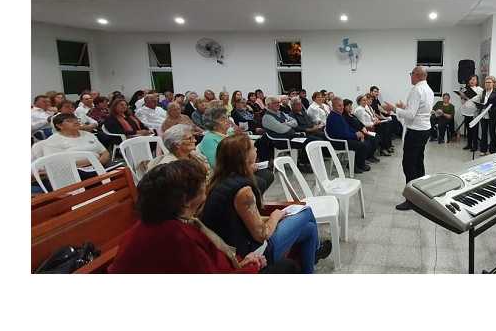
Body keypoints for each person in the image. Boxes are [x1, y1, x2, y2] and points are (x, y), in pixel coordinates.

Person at [109, 160, 298, 274]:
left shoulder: (155, 222)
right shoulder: (177, 236)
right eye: (202, 185)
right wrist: (250, 267)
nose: (206, 188)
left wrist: (244, 263)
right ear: (185, 200)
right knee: (287, 267)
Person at [201, 134, 330, 273]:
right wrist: (275, 216)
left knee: (310, 229)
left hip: (235, 244)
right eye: (253, 147)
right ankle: (316, 250)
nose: (256, 149)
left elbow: (243, 221)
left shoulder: (218, 181)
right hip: (252, 253)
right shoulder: (243, 191)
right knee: (306, 211)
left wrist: (272, 218)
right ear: (245, 157)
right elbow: (262, 234)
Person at [383, 66, 434, 210]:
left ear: (417, 75)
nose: (410, 76)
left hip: (416, 131)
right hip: (424, 129)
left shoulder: (417, 89)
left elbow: (411, 115)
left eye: (411, 74)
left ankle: (412, 200)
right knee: (418, 162)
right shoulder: (428, 89)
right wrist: (404, 107)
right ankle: (421, 193)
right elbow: (419, 110)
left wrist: (394, 109)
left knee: (409, 164)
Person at [199, 106, 275, 193]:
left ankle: (254, 197)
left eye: (227, 117)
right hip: (225, 175)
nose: (227, 120)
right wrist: (246, 169)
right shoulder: (209, 139)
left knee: (267, 175)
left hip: (239, 169)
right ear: (213, 124)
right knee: (261, 181)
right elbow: (218, 164)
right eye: (223, 119)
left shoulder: (229, 133)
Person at [38, 113, 111, 187]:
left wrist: (98, 163)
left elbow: (105, 152)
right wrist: (92, 161)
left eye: (76, 120)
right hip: (72, 173)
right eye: (70, 121)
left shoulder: (88, 135)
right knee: (102, 180)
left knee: (115, 172)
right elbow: (54, 163)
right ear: (59, 126)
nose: (75, 122)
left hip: (98, 166)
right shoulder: (53, 141)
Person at [262, 96, 314, 172]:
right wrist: (288, 124)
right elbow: (282, 130)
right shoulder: (267, 117)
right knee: (308, 141)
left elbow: (295, 123)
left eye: (278, 102)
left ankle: (303, 162)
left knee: (311, 139)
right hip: (281, 141)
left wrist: (285, 123)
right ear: (268, 105)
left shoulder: (281, 113)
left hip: (291, 137)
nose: (278, 104)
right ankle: (302, 164)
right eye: (275, 103)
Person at [326, 97, 373, 173]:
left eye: (342, 105)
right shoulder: (333, 117)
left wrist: (358, 132)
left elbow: (348, 128)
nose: (342, 107)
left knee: (367, 139)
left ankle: (359, 163)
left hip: (344, 138)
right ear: (333, 106)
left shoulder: (339, 115)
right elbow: (340, 134)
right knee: (362, 145)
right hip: (338, 142)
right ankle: (356, 165)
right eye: (339, 106)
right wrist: (355, 135)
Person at [146, 124, 210, 174]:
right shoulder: (170, 167)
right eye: (190, 138)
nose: (195, 140)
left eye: (193, 137)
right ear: (177, 144)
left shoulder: (194, 154)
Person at [472, 76, 496, 155]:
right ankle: (483, 150)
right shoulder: (483, 92)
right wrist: (479, 105)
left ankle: (493, 150)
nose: (487, 84)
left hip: (492, 115)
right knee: (483, 132)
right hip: (483, 115)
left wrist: (490, 109)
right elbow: (481, 102)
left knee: (492, 132)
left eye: (489, 82)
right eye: (486, 82)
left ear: (493, 83)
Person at [342, 98, 380, 163]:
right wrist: (360, 131)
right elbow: (350, 127)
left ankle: (370, 156)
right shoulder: (344, 117)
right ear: (344, 107)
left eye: (351, 105)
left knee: (376, 137)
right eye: (348, 106)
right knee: (371, 139)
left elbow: (360, 123)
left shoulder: (352, 115)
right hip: (357, 133)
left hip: (363, 131)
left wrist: (363, 128)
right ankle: (366, 157)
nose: (350, 107)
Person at [459, 75, 483, 152]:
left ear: (477, 81)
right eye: (470, 79)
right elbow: (463, 102)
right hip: (466, 112)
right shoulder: (465, 89)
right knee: (468, 129)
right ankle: (469, 144)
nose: (472, 81)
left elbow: (481, 100)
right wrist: (462, 97)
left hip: (474, 113)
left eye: (474, 79)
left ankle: (475, 146)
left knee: (474, 130)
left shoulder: (480, 89)